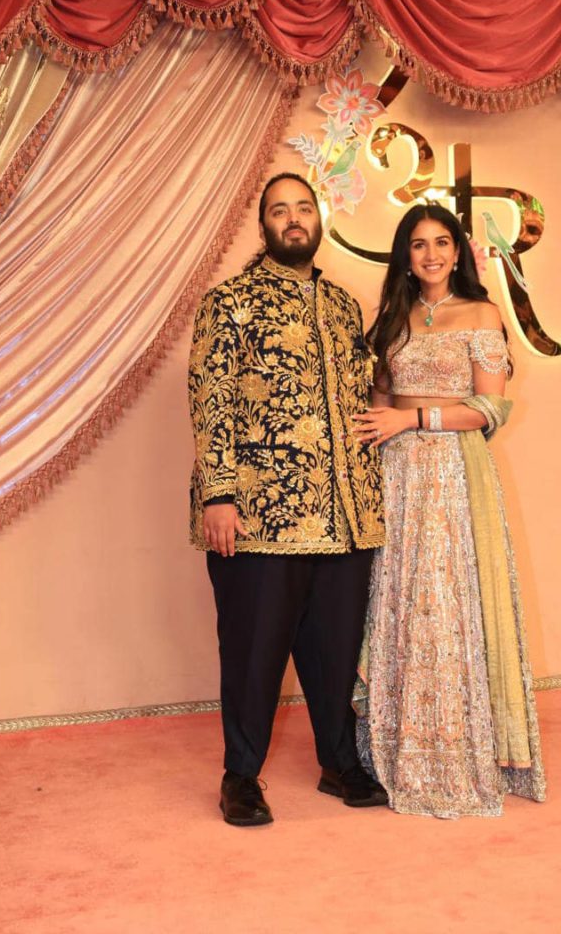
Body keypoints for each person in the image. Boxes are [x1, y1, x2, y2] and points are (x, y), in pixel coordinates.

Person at [188, 172, 387, 826]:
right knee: (252, 652)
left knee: (334, 647)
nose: (293, 219)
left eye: (303, 208)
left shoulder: (340, 306)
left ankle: (338, 761)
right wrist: (218, 493)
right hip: (258, 515)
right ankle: (240, 776)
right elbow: (210, 398)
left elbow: (360, 398)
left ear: (317, 219)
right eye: (280, 210)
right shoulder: (231, 302)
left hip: (344, 517)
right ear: (264, 224)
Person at [353, 203, 546, 818]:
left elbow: (490, 410)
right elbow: (376, 405)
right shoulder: (391, 317)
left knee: (447, 598)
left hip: (453, 473)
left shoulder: (482, 313)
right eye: (418, 244)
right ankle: (390, 747)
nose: (431, 254)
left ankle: (454, 751)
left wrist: (413, 419)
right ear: (404, 255)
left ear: (459, 252)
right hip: (395, 475)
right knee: (397, 598)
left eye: (441, 243)